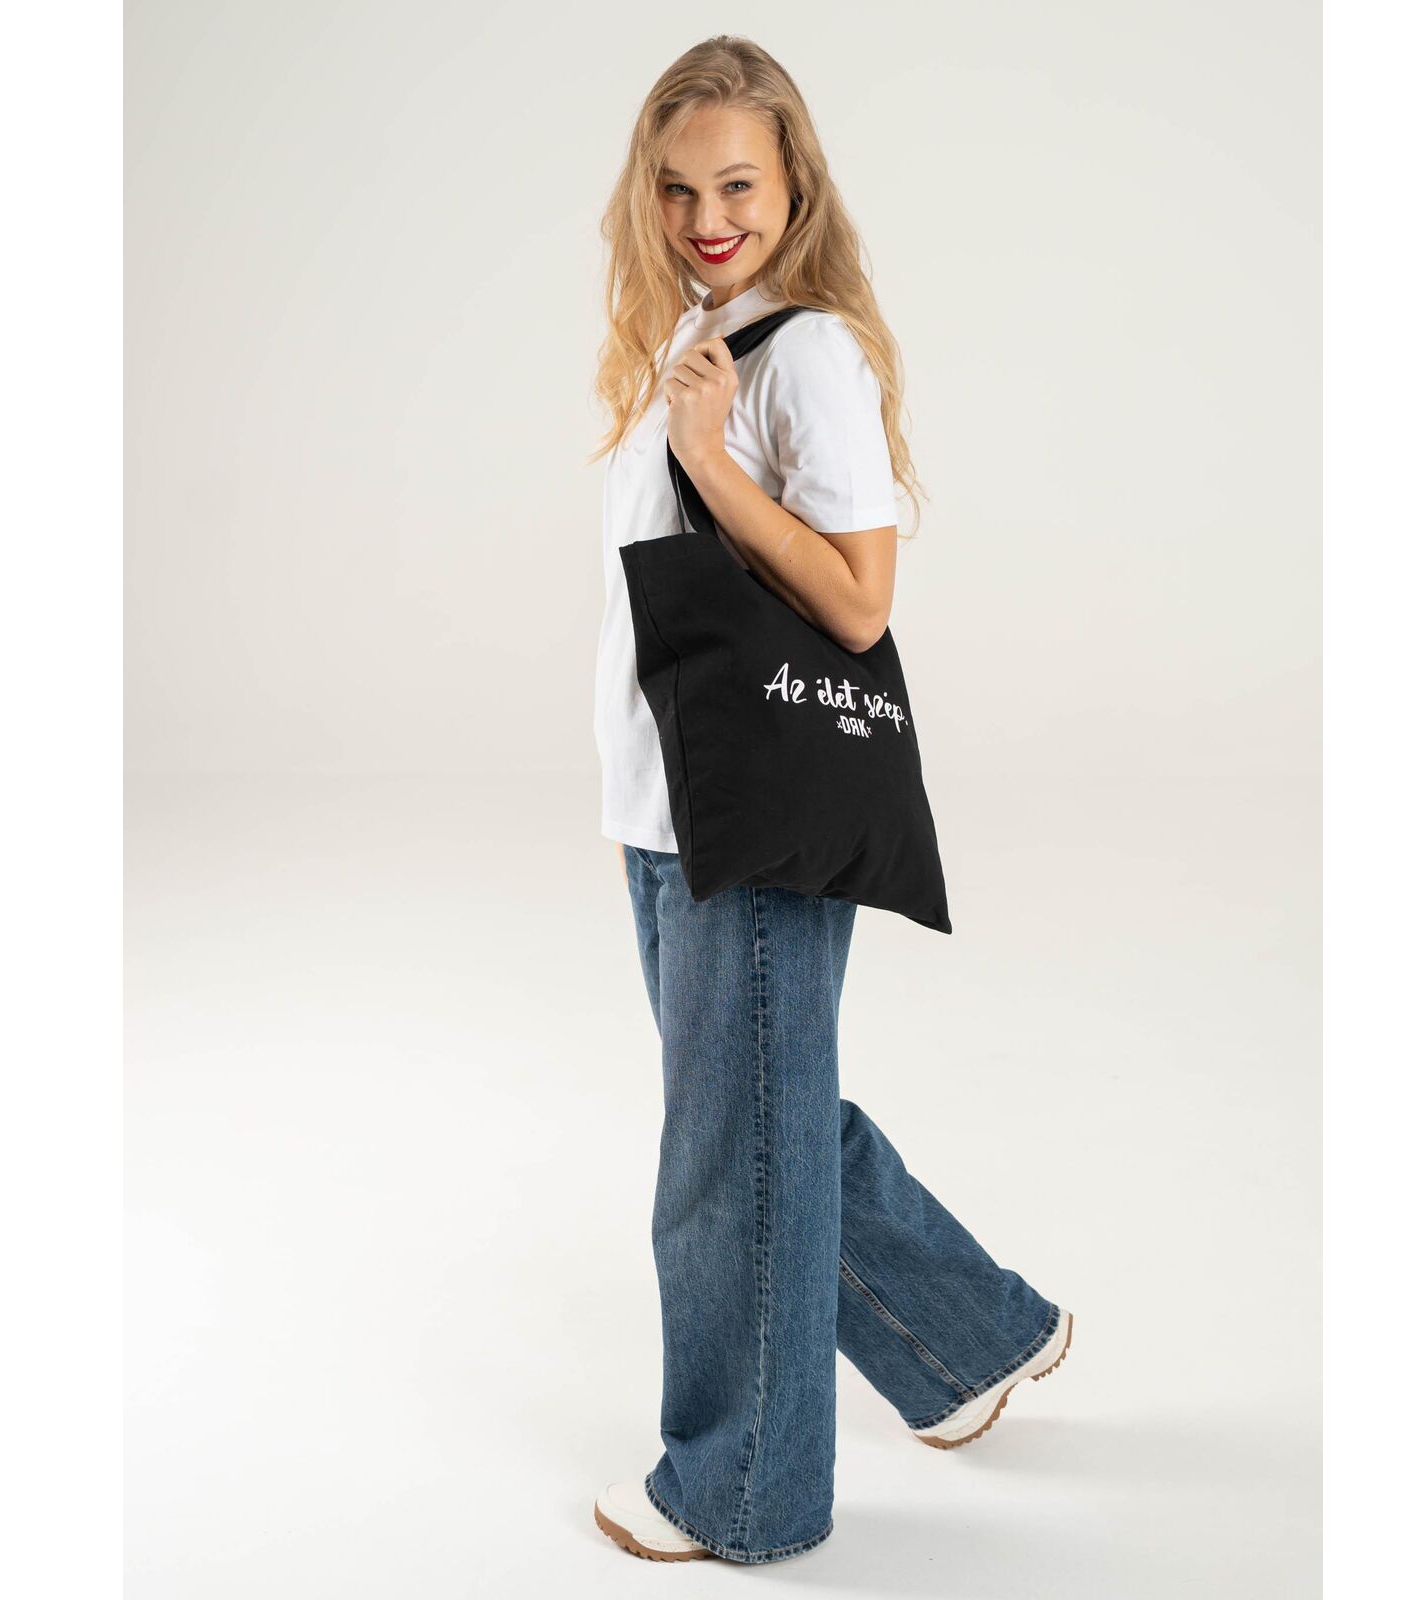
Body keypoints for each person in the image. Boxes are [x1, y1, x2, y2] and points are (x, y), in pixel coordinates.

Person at [587, 36, 1072, 1566]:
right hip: (666, 805)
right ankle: (967, 1339)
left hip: (745, 815)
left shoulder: (806, 356)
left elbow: (860, 603)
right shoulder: (705, 334)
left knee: (729, 1152)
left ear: (795, 180)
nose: (707, 218)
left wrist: (712, 463)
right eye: (677, 191)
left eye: (737, 184)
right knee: (756, 1115)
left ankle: (745, 1491)